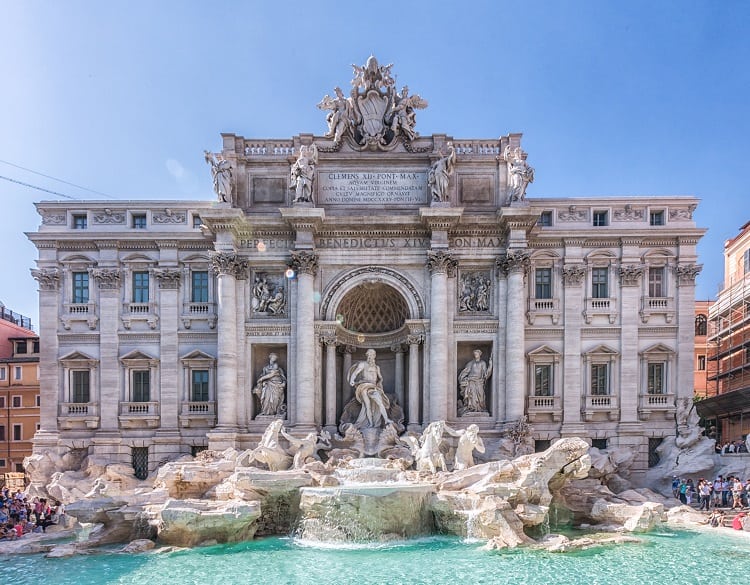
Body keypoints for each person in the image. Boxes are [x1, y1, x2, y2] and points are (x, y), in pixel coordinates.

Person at [348, 349, 392, 429]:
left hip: (373, 387)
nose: (371, 356)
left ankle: (386, 419)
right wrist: (352, 380)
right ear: (367, 356)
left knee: (380, 402)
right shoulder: (363, 364)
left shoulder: (377, 367)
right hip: (364, 386)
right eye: (370, 355)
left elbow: (380, 377)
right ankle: (371, 424)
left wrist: (380, 381)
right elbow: (355, 372)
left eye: (373, 355)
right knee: (367, 405)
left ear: (374, 356)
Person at [458, 349, 493, 415]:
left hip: (479, 381)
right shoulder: (471, 363)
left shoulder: (483, 363)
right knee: (471, 395)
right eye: (475, 354)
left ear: (480, 354)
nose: (475, 355)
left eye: (477, 354)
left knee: (481, 396)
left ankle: (480, 408)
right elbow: (465, 372)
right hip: (471, 381)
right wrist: (463, 378)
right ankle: (471, 408)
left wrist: (490, 366)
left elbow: (485, 374)